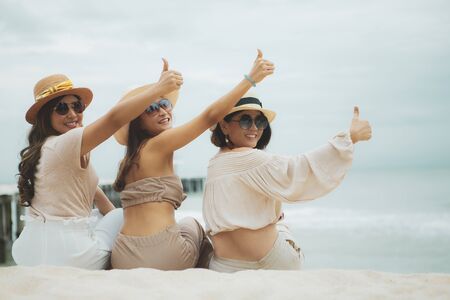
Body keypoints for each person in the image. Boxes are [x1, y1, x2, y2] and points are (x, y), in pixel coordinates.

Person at [111, 50, 274, 270]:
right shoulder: (159, 145)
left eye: (165, 103)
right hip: (160, 253)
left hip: (122, 255)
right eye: (150, 107)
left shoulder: (127, 161)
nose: (162, 111)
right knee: (193, 225)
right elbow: (209, 117)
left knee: (183, 225)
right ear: (135, 121)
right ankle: (222, 269)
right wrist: (250, 79)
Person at [13, 67, 181, 269]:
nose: (73, 114)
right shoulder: (69, 142)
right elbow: (114, 120)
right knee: (122, 215)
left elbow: (95, 194)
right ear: (45, 115)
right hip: (70, 255)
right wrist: (158, 89)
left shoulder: (44, 148)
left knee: (105, 216)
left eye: (77, 106)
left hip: (27, 252)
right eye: (62, 108)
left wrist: (112, 218)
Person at [203, 95, 372, 272]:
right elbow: (300, 169)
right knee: (281, 224)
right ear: (224, 125)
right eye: (245, 120)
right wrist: (350, 137)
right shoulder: (251, 158)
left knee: (275, 215)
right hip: (268, 263)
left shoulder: (215, 163)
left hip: (223, 265)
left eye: (260, 121)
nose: (254, 127)